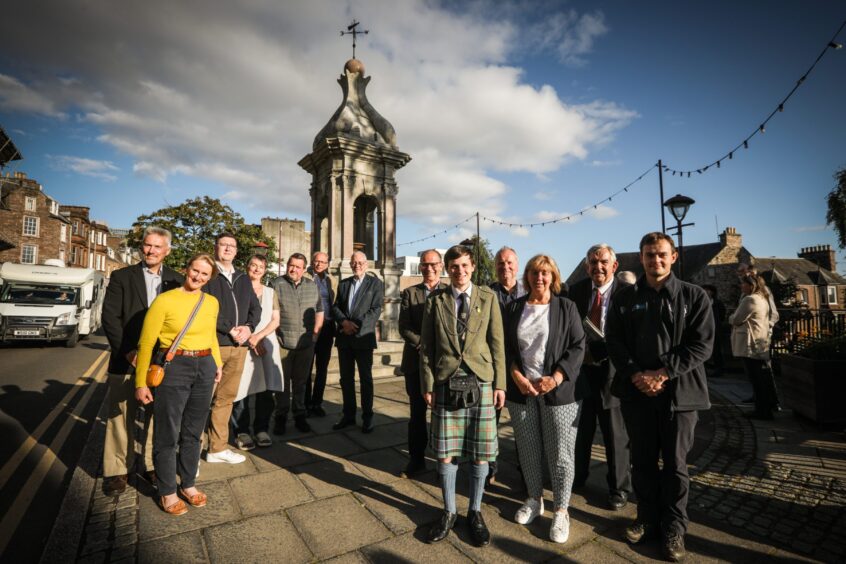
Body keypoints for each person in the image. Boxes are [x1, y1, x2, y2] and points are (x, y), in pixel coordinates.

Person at [606, 232, 714, 562]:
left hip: (680, 396)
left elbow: (702, 345)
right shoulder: (625, 298)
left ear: (673, 256)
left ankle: (674, 527)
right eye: (649, 255)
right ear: (640, 258)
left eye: (661, 254)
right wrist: (636, 374)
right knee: (642, 461)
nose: (656, 260)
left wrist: (663, 372)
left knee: (676, 465)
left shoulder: (694, 296)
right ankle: (647, 520)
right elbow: (614, 341)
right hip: (637, 394)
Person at [420, 245, 505, 547]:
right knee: (445, 451)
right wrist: (427, 385)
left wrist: (500, 384)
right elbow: (427, 348)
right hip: (446, 380)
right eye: (454, 266)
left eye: (465, 265)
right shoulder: (436, 301)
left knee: (481, 453)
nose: (460, 271)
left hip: (481, 381)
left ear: (472, 267)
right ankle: (448, 512)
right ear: (447, 268)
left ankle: (475, 511)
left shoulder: (488, 297)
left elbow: (498, 345)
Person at [504, 254, 585, 543]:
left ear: (553, 277)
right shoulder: (513, 308)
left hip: (559, 393)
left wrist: (556, 378)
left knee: (561, 454)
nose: (539, 278)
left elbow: (578, 347)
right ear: (526, 277)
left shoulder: (566, 307)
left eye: (545, 273)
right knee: (527, 449)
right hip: (522, 391)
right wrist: (517, 378)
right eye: (534, 273)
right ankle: (534, 499)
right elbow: (507, 350)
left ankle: (561, 510)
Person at [134, 253, 223, 515]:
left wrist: (217, 364)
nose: (198, 277)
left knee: (194, 431)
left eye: (204, 274)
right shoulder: (164, 300)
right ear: (187, 269)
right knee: (168, 433)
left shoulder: (212, 302)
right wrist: (141, 383)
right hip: (174, 368)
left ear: (210, 278)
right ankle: (167, 491)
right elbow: (146, 344)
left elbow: (211, 336)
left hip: (205, 366)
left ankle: (188, 484)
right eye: (195, 270)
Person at [100, 226, 183, 495]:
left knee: (156, 417)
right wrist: (129, 352)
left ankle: (151, 466)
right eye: (147, 245)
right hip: (127, 360)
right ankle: (117, 471)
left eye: (157, 246)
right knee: (119, 417)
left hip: (161, 363)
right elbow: (110, 319)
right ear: (141, 247)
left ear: (167, 251)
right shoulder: (122, 276)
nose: (151, 250)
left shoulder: (176, 280)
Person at [570, 244, 632, 511]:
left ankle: (618, 488)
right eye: (593, 263)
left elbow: (631, 336)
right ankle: (578, 476)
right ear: (587, 267)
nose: (598, 267)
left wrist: (604, 350)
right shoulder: (576, 291)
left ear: (614, 265)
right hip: (582, 374)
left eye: (603, 262)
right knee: (580, 432)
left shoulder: (628, 294)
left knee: (615, 435)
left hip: (613, 375)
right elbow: (570, 330)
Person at [203, 233, 261, 465]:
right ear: (215, 247)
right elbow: (206, 310)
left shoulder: (243, 278)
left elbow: (255, 308)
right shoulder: (209, 274)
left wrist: (248, 328)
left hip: (238, 348)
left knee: (225, 399)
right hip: (214, 346)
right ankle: (191, 451)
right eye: (223, 244)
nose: (227, 248)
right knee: (202, 399)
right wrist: (230, 329)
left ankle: (216, 448)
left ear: (237, 252)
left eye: (232, 246)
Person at [398, 249, 447, 478]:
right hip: (415, 363)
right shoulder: (410, 293)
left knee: (443, 415)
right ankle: (416, 460)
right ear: (420, 267)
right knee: (417, 415)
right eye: (425, 264)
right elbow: (404, 327)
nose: (429, 268)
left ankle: (444, 463)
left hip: (443, 365)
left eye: (433, 264)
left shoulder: (449, 292)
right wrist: (424, 346)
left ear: (441, 266)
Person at [232, 254, 285, 449]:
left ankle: (262, 429)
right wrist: (250, 340)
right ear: (247, 267)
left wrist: (258, 337)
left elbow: (275, 320)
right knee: (241, 389)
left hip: (266, 344)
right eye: (253, 265)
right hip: (243, 344)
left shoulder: (271, 292)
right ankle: (242, 431)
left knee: (266, 390)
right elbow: (235, 318)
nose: (256, 269)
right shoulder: (237, 289)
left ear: (265, 270)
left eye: (260, 266)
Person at [332, 251, 384, 433]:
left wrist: (356, 326)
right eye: (354, 262)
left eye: (361, 262)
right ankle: (348, 415)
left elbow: (376, 309)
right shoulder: (344, 284)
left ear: (366, 264)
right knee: (346, 379)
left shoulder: (375, 283)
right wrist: (344, 323)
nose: (357, 265)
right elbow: (336, 306)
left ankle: (367, 417)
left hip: (363, 338)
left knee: (365, 380)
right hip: (344, 339)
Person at [272, 253, 323, 434]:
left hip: (306, 343)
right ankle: (281, 417)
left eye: (298, 267)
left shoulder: (312, 286)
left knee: (301, 382)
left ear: (304, 269)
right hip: (282, 343)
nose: (293, 269)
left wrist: (316, 334)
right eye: (291, 265)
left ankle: (300, 416)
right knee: (283, 384)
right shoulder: (276, 284)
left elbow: (319, 310)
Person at [487, 246, 526, 484]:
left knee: (523, 423)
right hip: (494, 368)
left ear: (517, 265)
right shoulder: (486, 292)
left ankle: (526, 467)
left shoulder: (529, 291)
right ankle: (490, 468)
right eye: (501, 263)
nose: (505, 267)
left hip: (522, 367)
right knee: (490, 421)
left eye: (509, 263)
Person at [729, 274, 778, 420]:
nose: (741, 286)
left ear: (751, 285)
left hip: (750, 343)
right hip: (759, 342)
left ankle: (762, 411)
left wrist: (731, 317)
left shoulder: (750, 299)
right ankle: (766, 407)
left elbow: (736, 319)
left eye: (743, 284)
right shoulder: (762, 298)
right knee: (761, 378)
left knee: (756, 380)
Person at [306, 251, 337, 417]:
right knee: (306, 368)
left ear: (327, 264)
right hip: (309, 328)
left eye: (322, 262)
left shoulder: (331, 280)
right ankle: (305, 404)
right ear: (312, 262)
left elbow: (335, 302)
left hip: (327, 327)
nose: (319, 264)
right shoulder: (305, 277)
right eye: (316, 261)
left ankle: (317, 403)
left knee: (322, 368)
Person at [702, 284, 726, 376]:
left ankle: (719, 369)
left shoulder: (717, 303)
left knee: (717, 350)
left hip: (716, 329)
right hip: (703, 330)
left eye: (707, 290)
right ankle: (705, 370)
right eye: (704, 290)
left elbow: (722, 315)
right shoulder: (700, 302)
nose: (705, 292)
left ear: (712, 292)